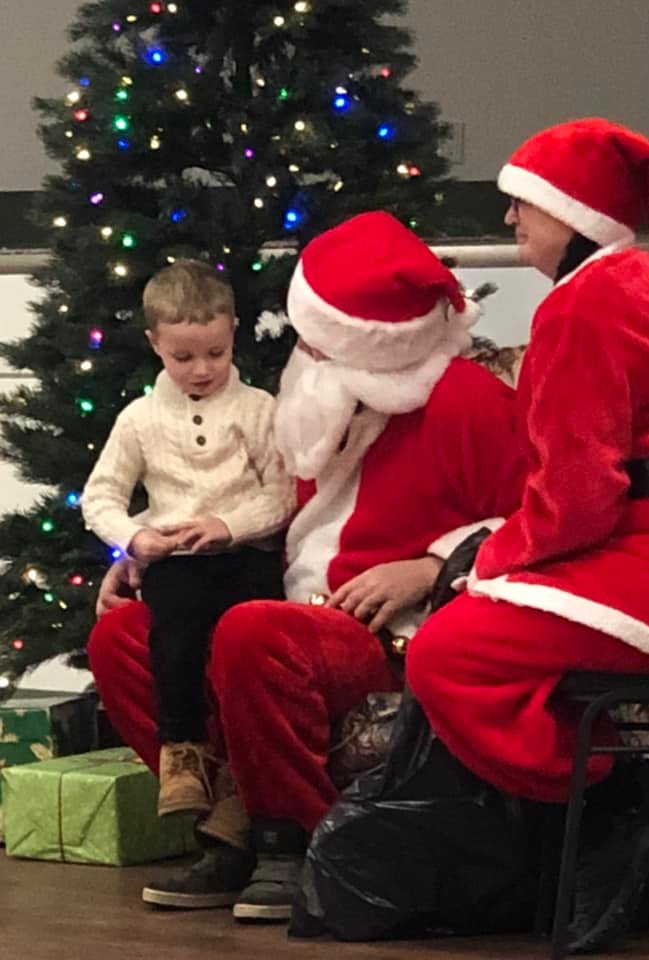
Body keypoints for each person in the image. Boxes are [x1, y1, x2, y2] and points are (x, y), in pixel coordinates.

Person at [88, 210, 525, 919]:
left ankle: (291, 840)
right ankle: (229, 828)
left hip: (391, 629)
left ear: (367, 345)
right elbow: (249, 504)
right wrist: (144, 552)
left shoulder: (466, 401)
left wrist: (431, 566)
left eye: (318, 343)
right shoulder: (310, 406)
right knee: (123, 638)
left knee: (255, 633)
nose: (305, 355)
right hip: (289, 598)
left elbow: (537, 520)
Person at [406, 117, 649, 952]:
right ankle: (622, 819)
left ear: (576, 211)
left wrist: (493, 557)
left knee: (448, 655)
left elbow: (579, 498)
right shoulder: (638, 287)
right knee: (482, 626)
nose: (510, 217)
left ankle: (617, 809)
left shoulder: (587, 305)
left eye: (527, 203)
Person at [82, 259, 294, 819]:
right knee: (174, 628)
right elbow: (100, 496)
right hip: (176, 561)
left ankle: (248, 768)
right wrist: (135, 538)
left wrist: (229, 525)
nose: (202, 370)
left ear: (234, 333)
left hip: (248, 556)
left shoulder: (258, 409)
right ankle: (183, 751)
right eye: (183, 357)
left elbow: (283, 495)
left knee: (249, 644)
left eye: (216, 353)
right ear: (155, 344)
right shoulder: (139, 419)